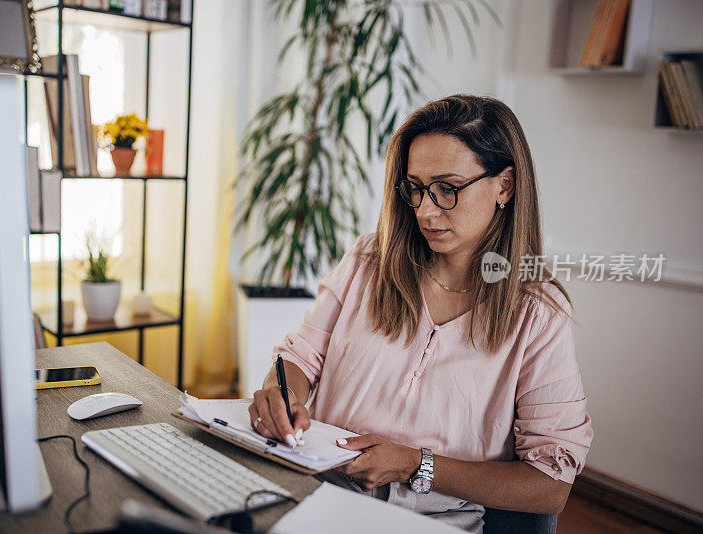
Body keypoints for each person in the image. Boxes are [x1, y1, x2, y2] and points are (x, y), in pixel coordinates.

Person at [247, 94, 593, 533]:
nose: (426, 210)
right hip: (317, 497)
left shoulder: (538, 314)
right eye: (416, 188)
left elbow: (549, 488)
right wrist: (284, 397)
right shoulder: (368, 259)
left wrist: (415, 465)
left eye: (448, 189)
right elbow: (299, 357)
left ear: (504, 186)